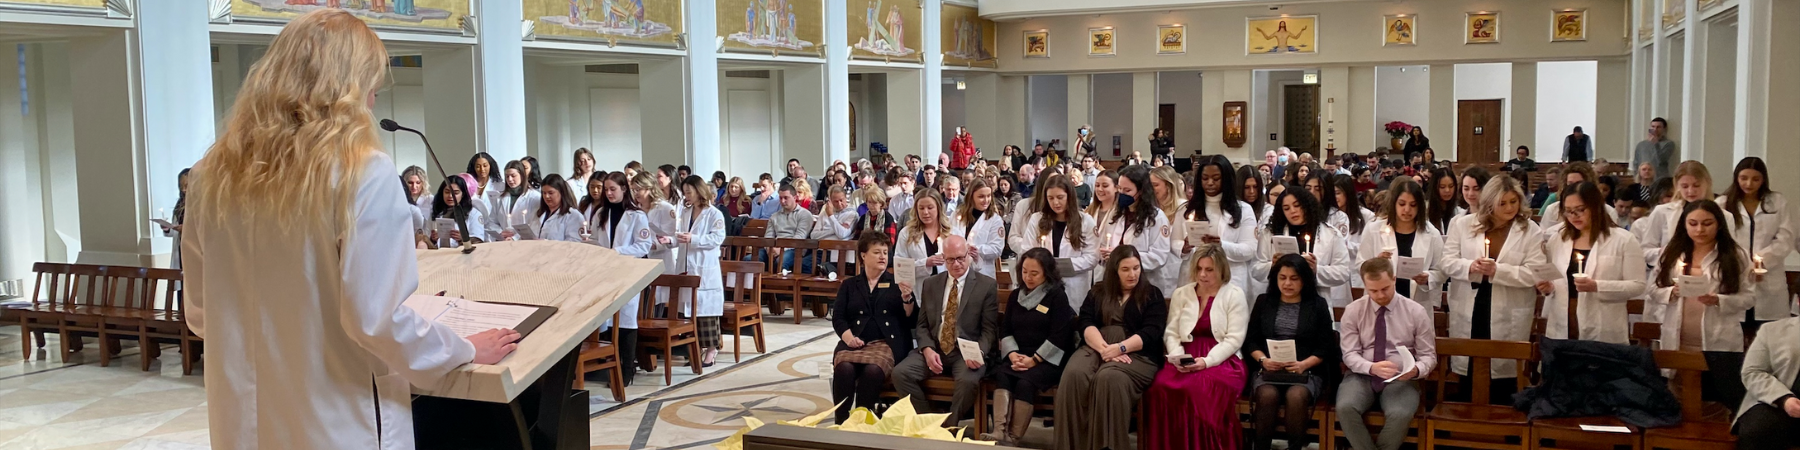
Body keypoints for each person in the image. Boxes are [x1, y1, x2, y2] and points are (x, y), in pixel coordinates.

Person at [182, 10, 519, 447]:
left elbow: (200, 311)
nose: (373, 100)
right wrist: (462, 349)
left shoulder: (213, 173)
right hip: (338, 418)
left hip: (242, 419)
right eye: (370, 85)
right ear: (345, 88)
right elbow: (375, 320)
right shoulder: (362, 171)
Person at [1442, 175, 1551, 402]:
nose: (1510, 208)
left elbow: (1535, 272)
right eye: (1502, 203)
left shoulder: (1530, 230)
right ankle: (1466, 422)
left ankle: (1506, 427)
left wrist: (1498, 271)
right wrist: (1470, 265)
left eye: (1514, 201)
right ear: (1489, 203)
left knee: (1504, 370)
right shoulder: (1463, 224)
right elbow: (1447, 262)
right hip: (1471, 301)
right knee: (1469, 364)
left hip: (1509, 302)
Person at [1054, 246, 1167, 450]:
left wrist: (1120, 349)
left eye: (1136, 268)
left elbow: (1152, 332)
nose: (1132, 274)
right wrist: (1105, 349)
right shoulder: (1098, 291)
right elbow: (1085, 322)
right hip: (1097, 345)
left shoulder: (1152, 294)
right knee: (1074, 374)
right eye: (1125, 269)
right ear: (1114, 271)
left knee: (1109, 379)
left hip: (1137, 353)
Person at [1143, 245, 1250, 449]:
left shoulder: (1234, 294)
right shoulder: (1182, 294)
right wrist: (1178, 356)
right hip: (1186, 355)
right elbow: (1172, 332)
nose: (1203, 274)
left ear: (1221, 269)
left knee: (1196, 389)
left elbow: (1234, 339)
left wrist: (1206, 362)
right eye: (1199, 268)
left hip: (1222, 359)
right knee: (1159, 388)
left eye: (1209, 270)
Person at [1653, 200, 1755, 404]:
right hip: (1679, 338)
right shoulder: (1671, 252)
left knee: (1714, 398)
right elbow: (1653, 289)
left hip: (1718, 337)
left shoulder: (1736, 255)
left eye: (1707, 223)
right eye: (1693, 223)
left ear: (1719, 224)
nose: (1700, 230)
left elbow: (1749, 297)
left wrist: (1718, 299)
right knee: (1677, 398)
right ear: (1684, 224)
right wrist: (1671, 293)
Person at [891, 235, 998, 426]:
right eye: (950, 259)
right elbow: (922, 324)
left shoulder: (986, 285)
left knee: (968, 381)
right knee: (900, 373)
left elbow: (989, 330)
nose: (956, 264)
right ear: (944, 258)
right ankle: (929, 421)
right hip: (936, 347)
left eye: (961, 258)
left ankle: (949, 424)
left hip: (966, 352)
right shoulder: (931, 284)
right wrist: (927, 349)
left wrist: (979, 352)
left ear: (968, 255)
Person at [1335, 258, 1438, 450]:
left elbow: (1429, 356)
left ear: (1394, 280)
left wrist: (1415, 370)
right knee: (1345, 407)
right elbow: (1349, 353)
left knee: (1400, 413)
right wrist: (1371, 367)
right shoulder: (1354, 310)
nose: (1380, 295)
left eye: (1385, 288)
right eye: (1373, 291)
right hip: (1362, 373)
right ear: (1365, 286)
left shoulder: (1415, 311)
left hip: (1401, 376)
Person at [1243, 254, 1340, 450]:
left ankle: (1295, 447)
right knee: (1267, 395)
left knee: (1296, 396)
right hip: (1269, 369)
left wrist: (1303, 364)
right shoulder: (1263, 302)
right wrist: (1263, 360)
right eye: (1282, 277)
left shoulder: (1317, 305)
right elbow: (1251, 341)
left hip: (1306, 371)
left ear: (1304, 280)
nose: (1287, 283)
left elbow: (1326, 346)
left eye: (1294, 278)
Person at [983, 248, 1077, 445]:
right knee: (1002, 374)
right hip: (1019, 356)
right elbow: (1006, 329)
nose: (1028, 277)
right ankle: (999, 431)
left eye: (1034, 273)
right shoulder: (1016, 295)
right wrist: (1013, 355)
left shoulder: (1056, 296)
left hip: (1048, 360)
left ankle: (1013, 437)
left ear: (1047, 273)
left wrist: (1034, 360)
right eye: (1025, 271)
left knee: (1025, 382)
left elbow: (1060, 336)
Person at [1541, 181, 1647, 344]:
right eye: (1569, 212)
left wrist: (1597, 286)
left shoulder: (1623, 240)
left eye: (1580, 210)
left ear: (1596, 206)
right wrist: (1547, 288)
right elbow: (1553, 278)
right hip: (1563, 321)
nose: (1574, 216)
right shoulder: (1558, 239)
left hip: (1604, 322)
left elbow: (1638, 285)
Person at [829, 232, 918, 423]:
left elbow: (911, 320)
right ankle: (841, 420)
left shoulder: (898, 284)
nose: (882, 257)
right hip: (853, 342)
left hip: (886, 344)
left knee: (872, 371)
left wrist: (907, 299)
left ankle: (863, 420)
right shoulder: (849, 285)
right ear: (863, 255)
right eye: (877, 252)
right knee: (844, 368)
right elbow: (838, 317)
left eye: (885, 252)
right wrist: (848, 338)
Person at [1718, 157, 1797, 334]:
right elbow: (1720, 239)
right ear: (1736, 178)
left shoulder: (1776, 201)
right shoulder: (1723, 203)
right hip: (1735, 273)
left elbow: (1786, 237)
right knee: (1734, 332)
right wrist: (1743, 265)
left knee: (1770, 332)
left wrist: (1762, 262)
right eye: (1744, 178)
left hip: (1769, 278)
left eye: (1756, 179)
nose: (1749, 183)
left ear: (1763, 180)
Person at [587, 171, 652, 386]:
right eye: (606, 189)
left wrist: (617, 252)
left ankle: (626, 369)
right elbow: (596, 241)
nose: (609, 193)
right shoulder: (600, 214)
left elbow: (643, 245)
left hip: (627, 272)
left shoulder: (637, 215)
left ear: (624, 189)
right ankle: (608, 366)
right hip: (605, 273)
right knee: (606, 319)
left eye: (613, 189)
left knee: (625, 319)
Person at [1013, 175, 1101, 308]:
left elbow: (1092, 257)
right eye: (1051, 198)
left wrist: (1060, 265)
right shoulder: (1037, 219)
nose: (1055, 203)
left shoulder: (1085, 221)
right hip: (1043, 284)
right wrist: (1042, 265)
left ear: (1069, 196)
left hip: (1074, 284)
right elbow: (1027, 250)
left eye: (1060, 197)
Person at [1361, 178, 1446, 308]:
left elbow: (1442, 270)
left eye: (1412, 205)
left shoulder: (1432, 233)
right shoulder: (1373, 229)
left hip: (1416, 301)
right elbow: (1360, 264)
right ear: (1393, 203)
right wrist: (1375, 263)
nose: (1407, 210)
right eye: (1402, 204)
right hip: (1380, 299)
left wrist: (1428, 277)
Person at [1255, 188, 1353, 299]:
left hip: (1315, 299)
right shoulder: (1270, 233)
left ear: (1307, 205)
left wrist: (1316, 269)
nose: (1292, 211)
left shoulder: (1331, 234)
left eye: (1297, 206)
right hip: (1279, 297)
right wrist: (1273, 266)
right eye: (1286, 208)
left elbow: (1343, 272)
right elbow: (1256, 270)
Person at [1640, 161, 1738, 268]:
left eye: (1696, 185)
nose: (1691, 191)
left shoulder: (1725, 216)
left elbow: (1730, 251)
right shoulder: (1662, 212)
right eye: (1685, 186)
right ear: (1677, 186)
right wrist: (1666, 252)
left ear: (1708, 183)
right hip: (1670, 273)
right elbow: (1645, 251)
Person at [1186, 156, 1261, 295]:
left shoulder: (1244, 209)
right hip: (1197, 279)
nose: (1210, 183)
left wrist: (1222, 245)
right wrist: (1184, 248)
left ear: (1226, 179)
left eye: (1216, 178)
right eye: (1205, 178)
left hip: (1232, 278)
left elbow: (1250, 249)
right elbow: (1175, 244)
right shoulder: (1188, 209)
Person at [1096, 166, 1173, 292]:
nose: (1122, 194)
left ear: (1141, 191)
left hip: (1142, 283)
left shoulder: (1156, 217)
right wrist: (1104, 254)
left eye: (1127, 190)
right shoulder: (1115, 213)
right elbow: (1102, 242)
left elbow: (1159, 256)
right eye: (1119, 189)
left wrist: (1123, 257)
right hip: (1115, 282)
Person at [1733, 315, 1800, 449]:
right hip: (1776, 401)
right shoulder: (1771, 330)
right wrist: (1784, 399)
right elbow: (1752, 371)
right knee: (1757, 431)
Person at [896, 189, 953, 288]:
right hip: (919, 289)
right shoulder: (906, 233)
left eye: (930, 208)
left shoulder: (952, 231)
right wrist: (925, 263)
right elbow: (900, 268)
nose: (925, 212)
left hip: (948, 288)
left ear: (938, 208)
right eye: (921, 208)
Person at [951, 179, 1006, 278]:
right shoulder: (958, 214)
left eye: (988, 196)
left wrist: (975, 249)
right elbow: (949, 237)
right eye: (981, 197)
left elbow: (996, 249)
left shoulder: (995, 220)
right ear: (971, 197)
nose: (986, 200)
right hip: (958, 269)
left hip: (983, 272)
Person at [1149, 166, 1190, 293]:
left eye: (1155, 185)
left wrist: (1184, 247)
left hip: (1175, 269)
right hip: (1153, 270)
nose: (1151, 189)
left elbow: (1185, 239)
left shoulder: (1184, 207)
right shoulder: (1151, 207)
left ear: (1168, 185)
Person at [1540, 162, 1617, 230]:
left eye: (1580, 183)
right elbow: (1545, 236)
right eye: (1570, 183)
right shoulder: (1553, 209)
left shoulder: (1608, 211)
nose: (1574, 187)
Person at [428, 175, 487, 248]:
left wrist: (464, 238)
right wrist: (433, 239)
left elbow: (479, 241)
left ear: (463, 194)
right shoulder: (437, 211)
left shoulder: (473, 213)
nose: (450, 196)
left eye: (455, 193)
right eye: (447, 192)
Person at [489, 161, 542, 241]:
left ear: (522, 175)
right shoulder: (500, 198)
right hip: (504, 242)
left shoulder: (534, 197)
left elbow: (534, 224)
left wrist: (514, 237)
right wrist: (501, 233)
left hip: (525, 242)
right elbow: (491, 221)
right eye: (507, 176)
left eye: (513, 176)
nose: (510, 179)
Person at [532, 175, 584, 242]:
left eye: (551, 193)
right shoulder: (539, 214)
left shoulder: (573, 216)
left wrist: (546, 243)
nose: (547, 196)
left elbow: (575, 243)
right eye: (544, 193)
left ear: (561, 192)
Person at [466, 152, 503, 217]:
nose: (482, 169)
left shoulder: (500, 186)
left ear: (490, 166)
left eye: (485, 166)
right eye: (478, 166)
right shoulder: (467, 184)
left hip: (492, 224)